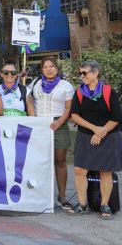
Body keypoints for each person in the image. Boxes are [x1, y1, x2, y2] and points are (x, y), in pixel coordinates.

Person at [66, 60, 122, 219]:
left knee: (105, 171)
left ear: (95, 73)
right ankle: (82, 204)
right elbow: (74, 115)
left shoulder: (108, 91)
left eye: (84, 73)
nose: (82, 76)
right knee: (79, 170)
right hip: (85, 135)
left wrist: (101, 133)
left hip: (108, 136)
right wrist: (95, 130)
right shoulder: (79, 93)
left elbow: (116, 117)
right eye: (80, 73)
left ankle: (105, 205)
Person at [28, 56, 75, 210]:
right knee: (40, 161)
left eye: (52, 66)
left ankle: (62, 195)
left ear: (57, 68)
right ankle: (40, 195)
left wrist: (59, 122)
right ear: (41, 69)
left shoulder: (66, 85)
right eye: (45, 66)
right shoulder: (35, 83)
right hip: (40, 124)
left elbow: (69, 109)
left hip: (59, 124)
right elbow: (29, 100)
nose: (49, 69)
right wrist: (33, 118)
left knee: (60, 160)